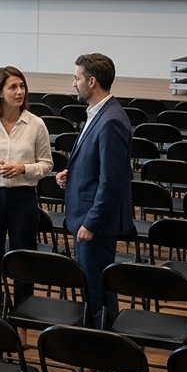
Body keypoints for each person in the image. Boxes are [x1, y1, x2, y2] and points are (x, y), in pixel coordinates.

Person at [0, 66, 53, 309]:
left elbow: (47, 164)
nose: (19, 92)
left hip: (23, 199)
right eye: (13, 87)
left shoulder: (36, 124)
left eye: (22, 86)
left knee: (23, 261)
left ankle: (22, 317)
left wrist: (23, 169)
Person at [56, 53, 133, 318]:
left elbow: (111, 181)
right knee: (92, 286)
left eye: (76, 78)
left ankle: (103, 343)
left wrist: (91, 223)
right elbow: (96, 165)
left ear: (92, 81)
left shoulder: (111, 120)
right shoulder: (97, 113)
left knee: (97, 290)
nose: (73, 84)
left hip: (94, 223)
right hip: (86, 217)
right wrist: (71, 174)